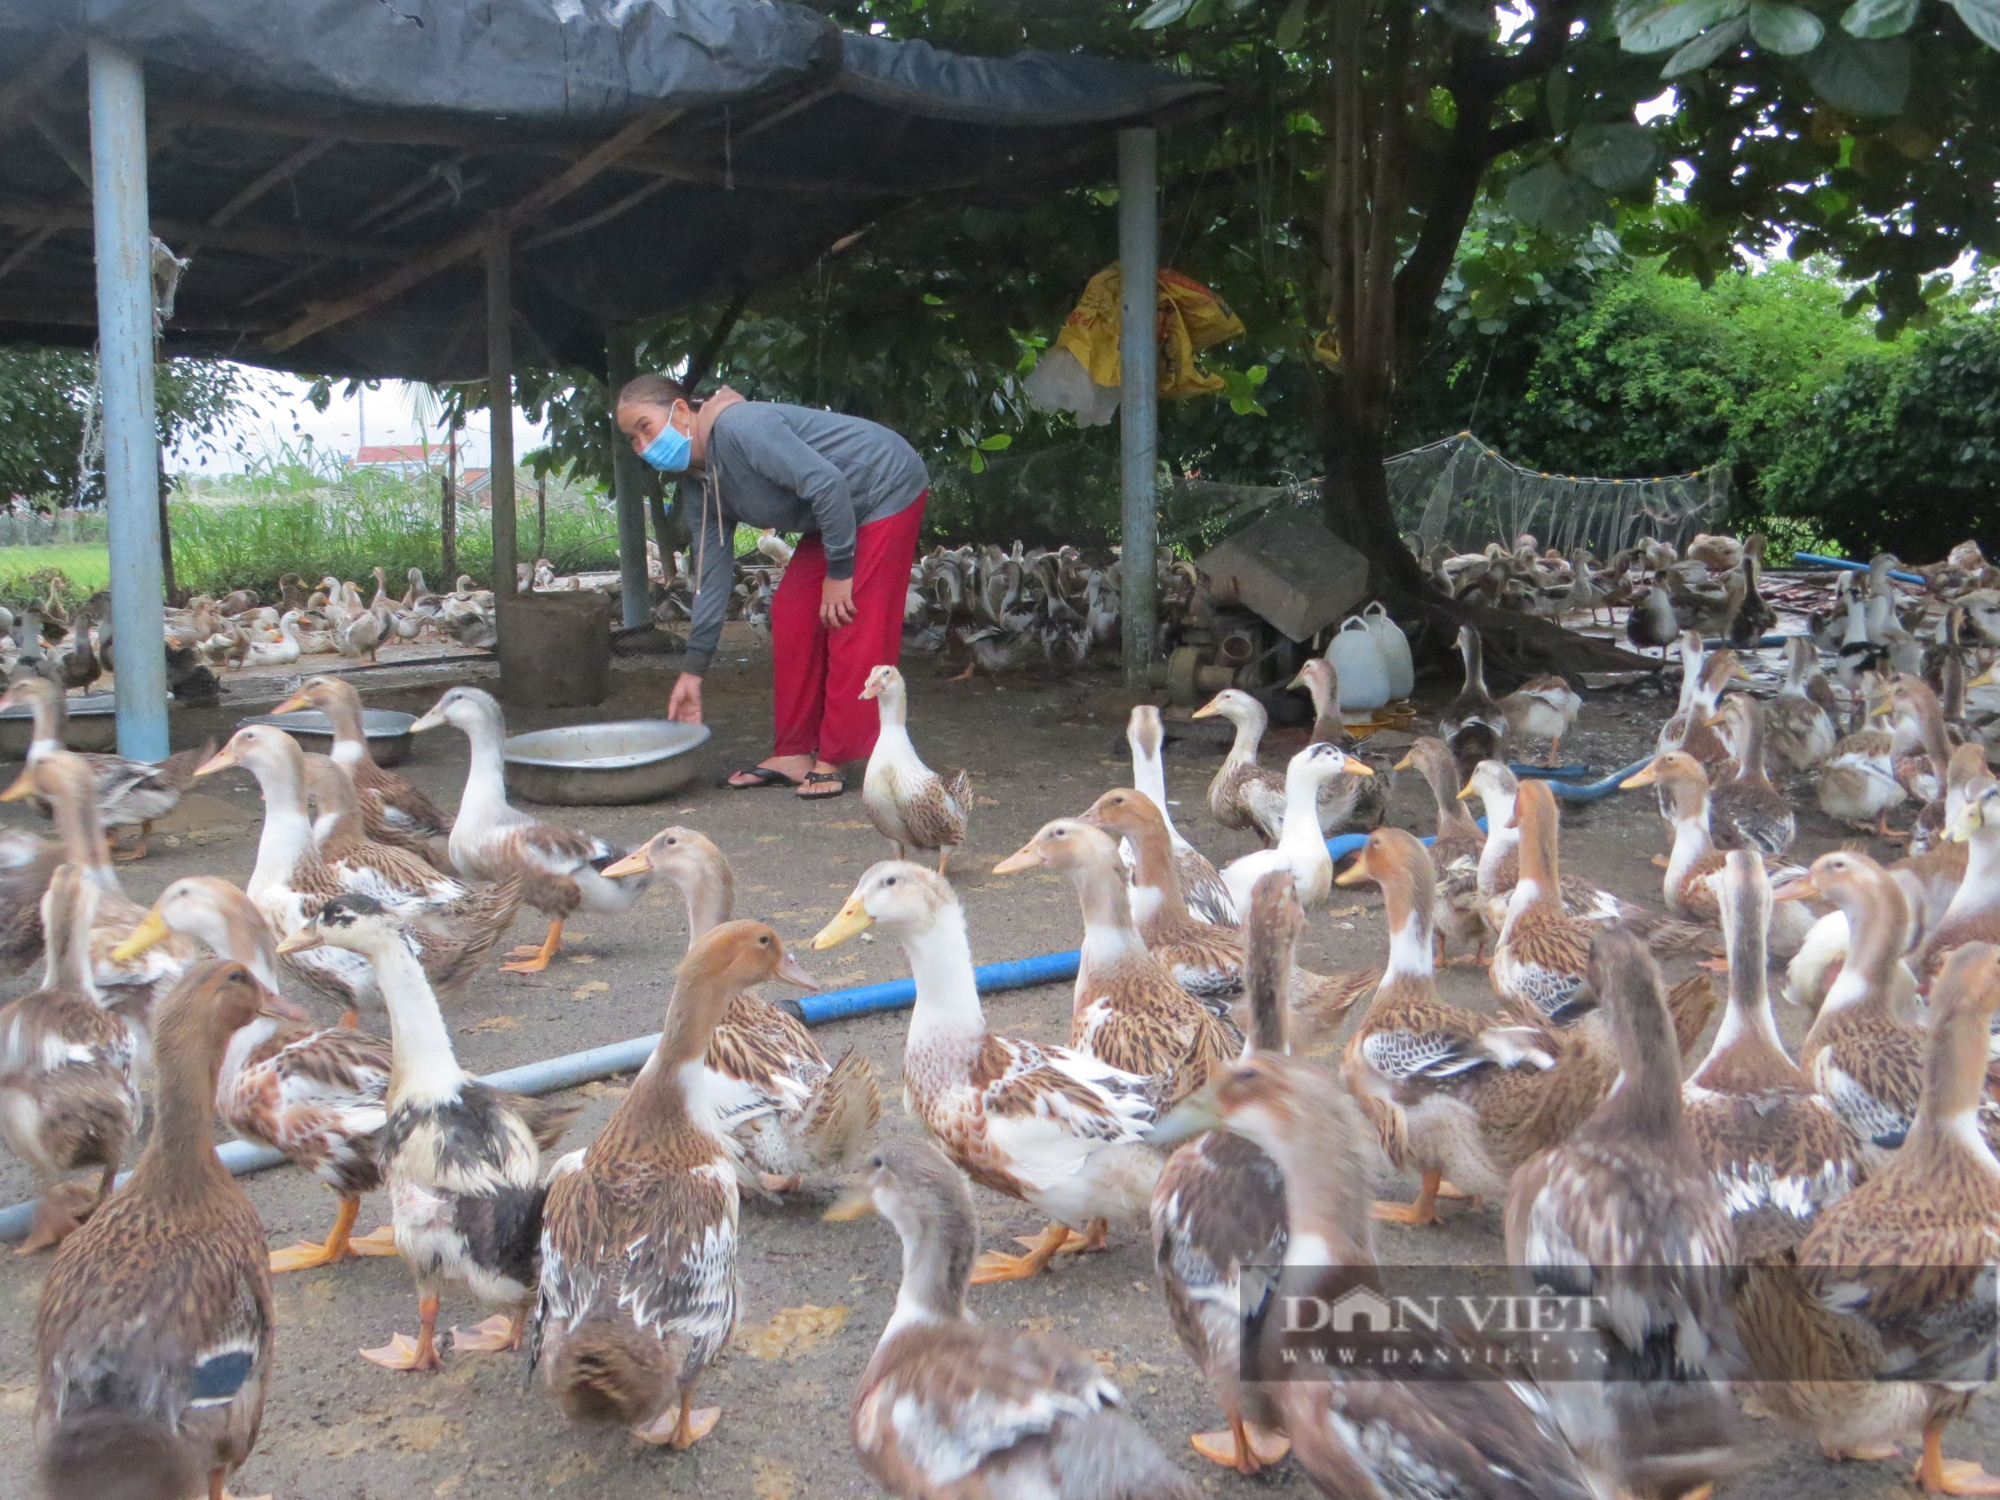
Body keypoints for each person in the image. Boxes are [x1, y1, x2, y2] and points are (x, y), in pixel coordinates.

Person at [615, 375, 929, 799]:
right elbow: (711, 575)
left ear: (682, 412)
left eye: (645, 426)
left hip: (883, 486)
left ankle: (835, 757)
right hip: (835, 512)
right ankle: (793, 751)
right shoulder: (697, 485)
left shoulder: (741, 428)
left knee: (851, 616)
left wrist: (839, 572)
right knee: (792, 612)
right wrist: (693, 670)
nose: (641, 445)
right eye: (631, 437)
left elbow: (826, 483)